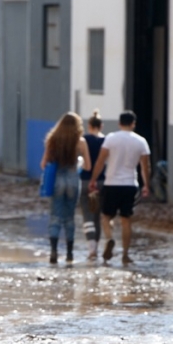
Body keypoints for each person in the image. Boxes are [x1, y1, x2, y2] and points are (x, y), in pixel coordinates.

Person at [89, 110, 151, 265]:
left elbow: (100, 161)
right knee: (126, 220)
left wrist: (94, 179)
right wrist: (146, 186)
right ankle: (125, 254)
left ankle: (109, 238)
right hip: (130, 184)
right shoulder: (141, 141)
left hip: (111, 183)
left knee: (106, 216)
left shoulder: (110, 138)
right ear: (133, 124)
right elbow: (145, 167)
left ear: (119, 123)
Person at [40, 112, 90, 264]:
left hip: (57, 181)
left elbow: (43, 164)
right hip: (74, 181)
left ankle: (53, 251)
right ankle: (69, 254)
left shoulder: (52, 141)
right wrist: (79, 163)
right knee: (69, 218)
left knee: (55, 217)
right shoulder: (80, 142)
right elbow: (88, 166)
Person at [80, 111, 105, 261]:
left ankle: (91, 249)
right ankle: (96, 246)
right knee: (97, 216)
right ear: (101, 126)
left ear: (89, 126)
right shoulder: (107, 141)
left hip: (84, 180)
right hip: (102, 181)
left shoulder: (84, 140)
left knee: (87, 216)